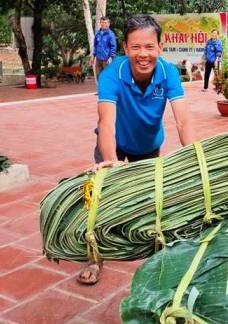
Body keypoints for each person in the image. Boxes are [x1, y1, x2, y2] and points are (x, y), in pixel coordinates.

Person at [78, 14, 194, 285]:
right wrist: (110, 162)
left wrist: (193, 157)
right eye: (136, 47)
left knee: (150, 201)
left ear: (160, 48)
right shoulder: (112, 75)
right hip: (113, 143)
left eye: (150, 47)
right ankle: (94, 255)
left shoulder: (169, 73)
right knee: (97, 200)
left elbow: (183, 119)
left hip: (148, 145)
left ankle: (153, 256)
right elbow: (106, 122)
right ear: (126, 49)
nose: (144, 54)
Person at [89, 16, 117, 80]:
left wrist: (111, 57)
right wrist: (93, 55)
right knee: (99, 77)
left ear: (108, 24)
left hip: (107, 60)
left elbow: (113, 47)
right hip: (98, 60)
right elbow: (95, 45)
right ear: (100, 23)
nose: (103, 24)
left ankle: (109, 89)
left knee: (107, 78)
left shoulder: (111, 34)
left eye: (105, 22)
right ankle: (101, 89)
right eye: (102, 22)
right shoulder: (97, 34)